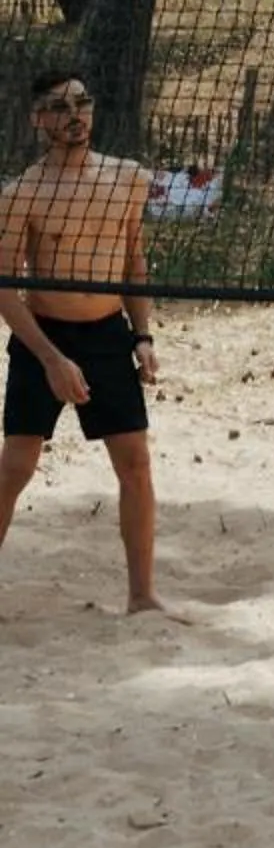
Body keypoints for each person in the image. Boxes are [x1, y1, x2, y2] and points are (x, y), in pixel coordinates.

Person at [0, 67, 168, 613]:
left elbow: (133, 263)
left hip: (106, 336)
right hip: (42, 335)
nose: (74, 114)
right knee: (17, 465)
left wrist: (141, 335)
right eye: (59, 106)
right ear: (38, 118)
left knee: (136, 464)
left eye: (82, 103)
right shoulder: (21, 193)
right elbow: (4, 287)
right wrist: (49, 359)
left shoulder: (128, 179)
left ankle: (142, 597)